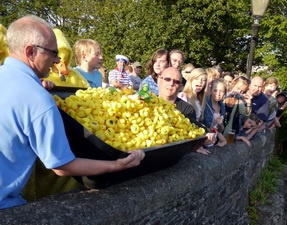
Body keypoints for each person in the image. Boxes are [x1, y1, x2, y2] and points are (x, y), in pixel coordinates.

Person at [0, 15, 144, 210]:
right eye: (53, 53)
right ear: (30, 51)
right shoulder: (38, 99)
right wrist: (117, 166)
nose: (57, 60)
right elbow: (62, 165)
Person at [157, 67, 217, 155]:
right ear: (159, 81)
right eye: (167, 79)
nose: (171, 83)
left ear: (180, 87)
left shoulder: (187, 109)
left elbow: (195, 130)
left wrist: (199, 142)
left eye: (176, 82)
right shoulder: (145, 102)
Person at [201, 78, 227, 147]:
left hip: (212, 143)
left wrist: (220, 124)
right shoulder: (204, 103)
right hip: (202, 141)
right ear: (211, 90)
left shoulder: (222, 107)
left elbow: (220, 130)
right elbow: (199, 123)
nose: (218, 94)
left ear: (224, 92)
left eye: (221, 91)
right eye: (215, 90)